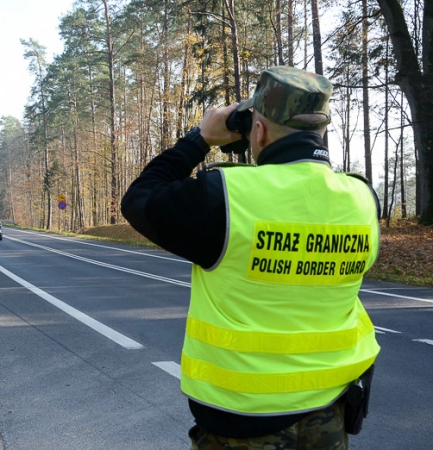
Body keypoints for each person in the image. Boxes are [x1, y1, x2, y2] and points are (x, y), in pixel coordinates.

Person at [121, 66, 381, 449]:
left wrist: (199, 138)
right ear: (321, 130)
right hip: (329, 412)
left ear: (257, 131)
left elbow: (139, 199)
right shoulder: (362, 199)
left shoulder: (226, 196)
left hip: (242, 422)